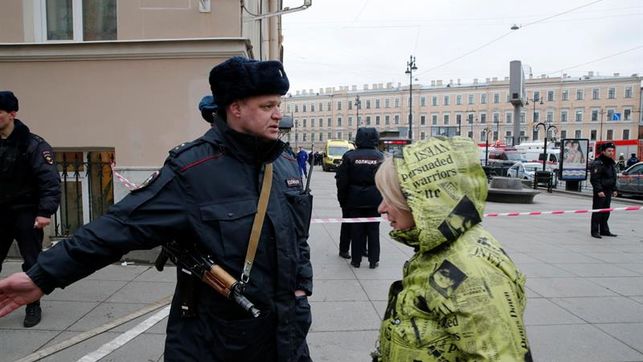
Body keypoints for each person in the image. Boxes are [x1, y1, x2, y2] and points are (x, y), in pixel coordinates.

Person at [0, 57, 314, 362]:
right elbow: (117, 228)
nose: (278, 115)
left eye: (278, 105)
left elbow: (298, 239)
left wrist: (302, 290)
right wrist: (42, 276)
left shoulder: (284, 164)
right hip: (220, 340)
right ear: (235, 108)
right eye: (267, 106)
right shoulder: (193, 170)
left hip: (287, 335)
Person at [371, 137, 532, 361]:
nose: (381, 208)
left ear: (422, 201)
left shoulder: (471, 268)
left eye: (390, 198)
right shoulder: (439, 246)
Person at [0, 91, 61, 328]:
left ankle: (33, 305)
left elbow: (49, 181)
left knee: (32, 262)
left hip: (26, 211)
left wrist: (45, 212)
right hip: (1, 212)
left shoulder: (33, 145)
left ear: (11, 115)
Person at [335, 127, 383, 269]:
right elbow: (386, 180)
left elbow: (342, 181)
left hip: (354, 199)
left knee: (356, 230)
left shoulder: (350, 156)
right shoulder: (380, 157)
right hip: (375, 199)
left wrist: (342, 200)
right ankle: (373, 260)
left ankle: (356, 260)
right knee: (374, 230)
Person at [590, 142, 618, 239]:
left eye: (612, 151)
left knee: (606, 211)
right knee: (597, 211)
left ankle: (604, 230)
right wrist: (599, 190)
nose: (611, 153)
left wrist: (614, 189)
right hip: (600, 191)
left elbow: (613, 177)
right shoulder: (598, 163)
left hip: (608, 190)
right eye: (609, 151)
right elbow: (594, 178)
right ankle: (594, 231)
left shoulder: (610, 163)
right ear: (603, 151)